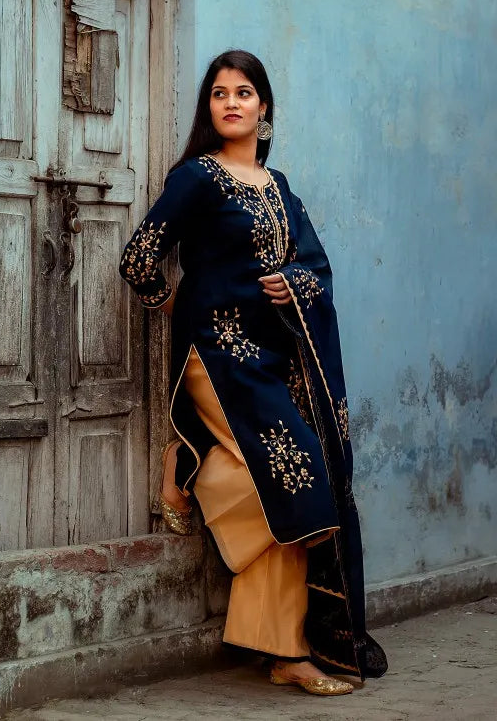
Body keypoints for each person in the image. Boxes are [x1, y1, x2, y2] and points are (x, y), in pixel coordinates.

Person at [119, 50, 387, 695]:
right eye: (219, 94)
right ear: (209, 109)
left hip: (277, 360)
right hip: (219, 355)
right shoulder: (197, 179)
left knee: (290, 497)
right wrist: (175, 308)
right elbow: (139, 258)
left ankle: (285, 650)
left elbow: (315, 266)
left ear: (264, 109)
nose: (231, 102)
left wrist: (292, 282)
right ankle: (183, 459)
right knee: (299, 479)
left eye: (244, 92)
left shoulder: (280, 187)